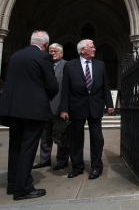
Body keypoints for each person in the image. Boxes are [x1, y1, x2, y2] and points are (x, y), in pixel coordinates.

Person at [0, 31, 58, 200]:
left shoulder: (16, 55)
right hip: (33, 110)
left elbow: (6, 77)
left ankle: (13, 184)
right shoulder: (43, 57)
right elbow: (53, 84)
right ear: (45, 45)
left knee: (16, 146)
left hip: (13, 110)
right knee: (28, 148)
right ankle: (23, 188)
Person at [60, 39, 114, 180]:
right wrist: (64, 109)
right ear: (82, 50)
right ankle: (77, 167)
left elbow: (105, 86)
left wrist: (109, 104)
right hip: (76, 106)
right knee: (76, 139)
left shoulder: (100, 65)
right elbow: (65, 89)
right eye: (91, 47)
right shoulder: (70, 65)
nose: (95, 49)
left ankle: (97, 167)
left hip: (95, 106)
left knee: (97, 138)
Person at [32, 43, 69, 171]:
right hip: (44, 106)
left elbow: (67, 88)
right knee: (44, 135)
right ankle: (44, 159)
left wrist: (65, 108)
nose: (53, 53)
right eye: (51, 51)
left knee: (61, 135)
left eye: (56, 51)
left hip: (59, 107)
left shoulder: (67, 66)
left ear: (62, 53)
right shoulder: (44, 65)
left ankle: (62, 161)